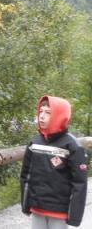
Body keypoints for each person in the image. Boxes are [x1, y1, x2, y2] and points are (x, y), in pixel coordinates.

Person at [20, 96, 88, 228]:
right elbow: (25, 176)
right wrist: (25, 204)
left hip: (59, 212)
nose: (42, 116)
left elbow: (79, 183)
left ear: (60, 116)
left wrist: (74, 216)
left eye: (48, 113)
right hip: (37, 208)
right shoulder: (34, 143)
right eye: (41, 111)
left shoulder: (73, 146)